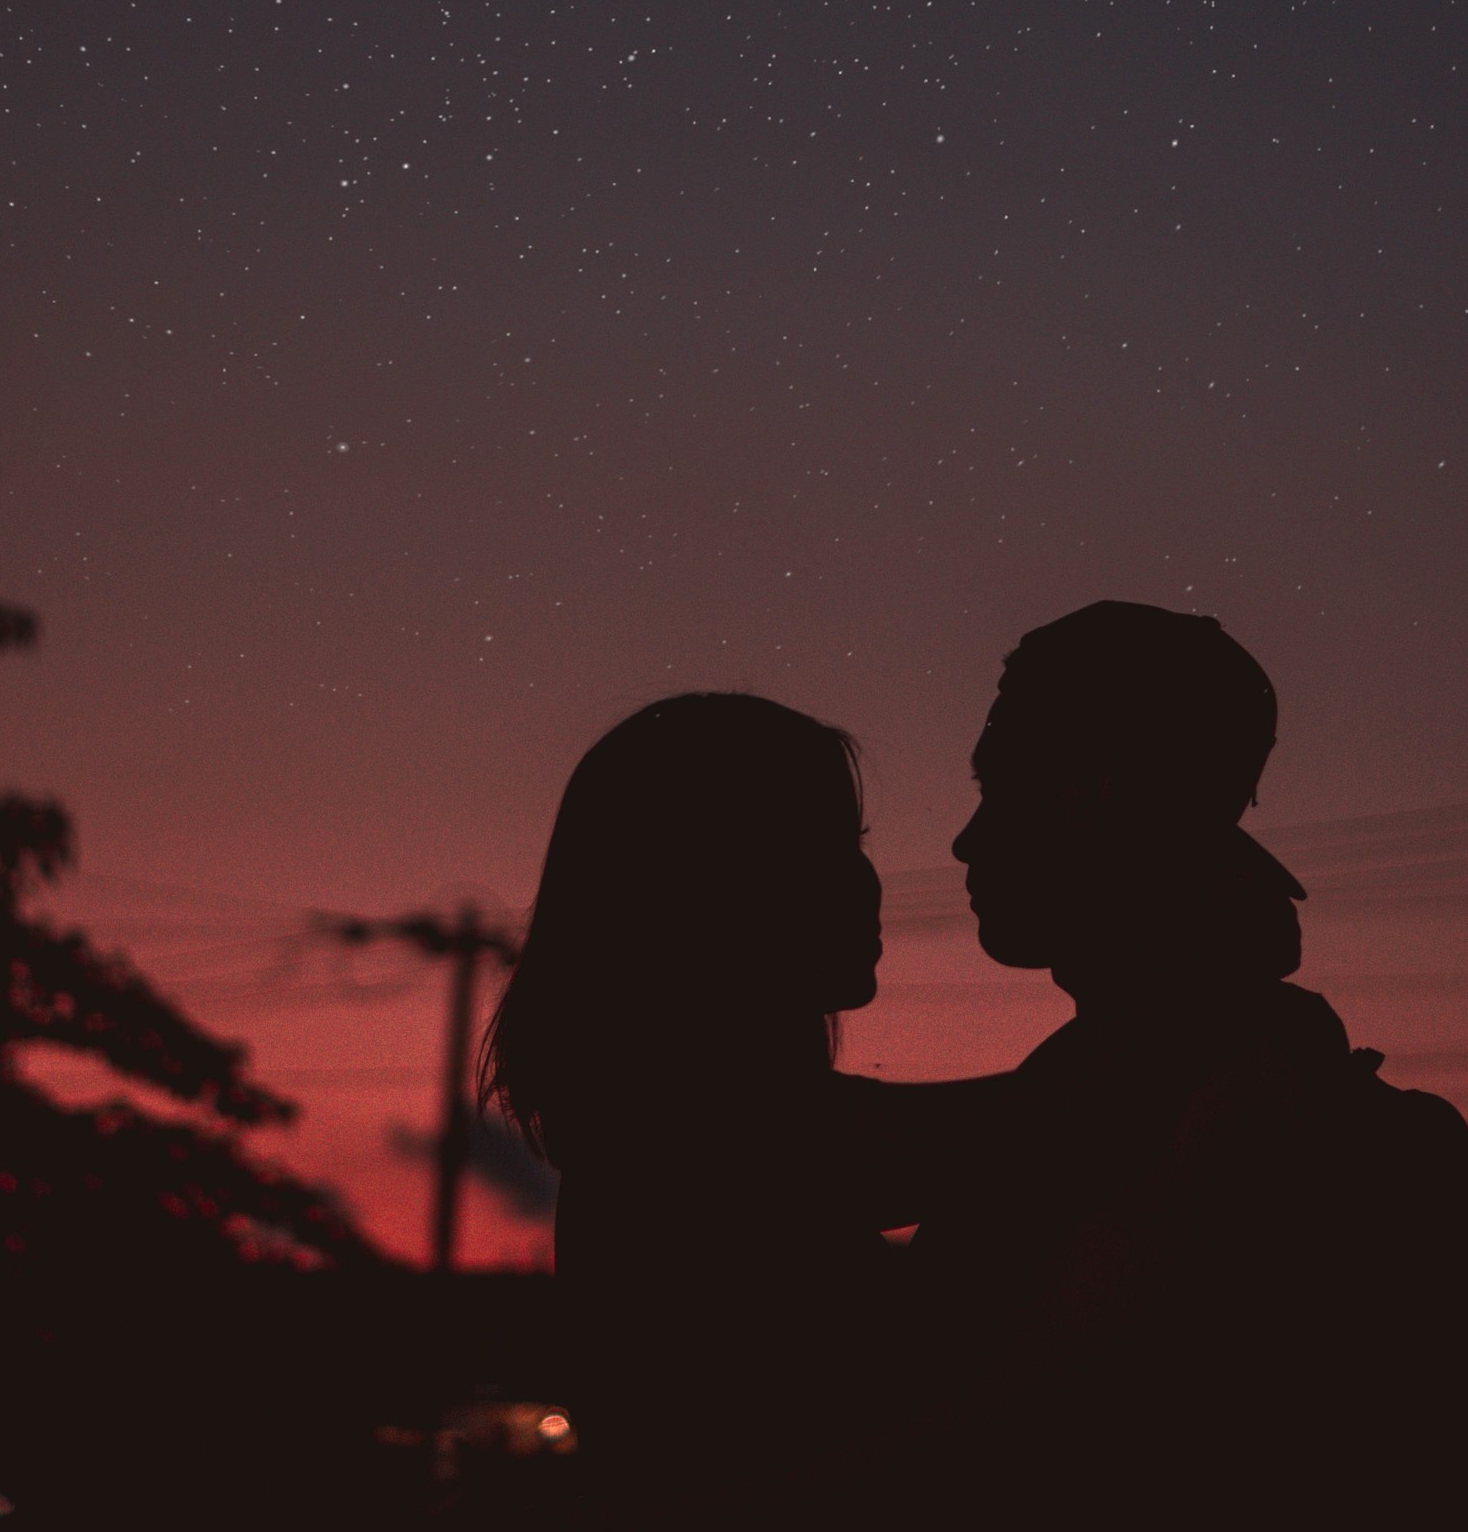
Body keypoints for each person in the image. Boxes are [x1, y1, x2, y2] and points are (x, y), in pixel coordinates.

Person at [905, 600, 1468, 1529]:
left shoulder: (1188, 1117)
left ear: (1099, 793)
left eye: (1000, 785)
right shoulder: (1212, 1069)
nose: (966, 839)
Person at [480, 691, 1009, 1527]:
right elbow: (1045, 1125)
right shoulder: (690, 1134)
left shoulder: (663, 1125)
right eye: (830, 847)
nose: (868, 879)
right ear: (713, 885)